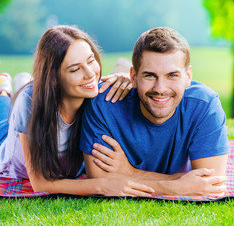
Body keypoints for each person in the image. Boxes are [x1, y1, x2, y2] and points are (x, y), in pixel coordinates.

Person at [0, 25, 155, 197]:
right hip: (12, 158)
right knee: (3, 124)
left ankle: (19, 83)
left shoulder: (92, 94)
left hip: (66, 166)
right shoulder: (30, 102)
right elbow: (40, 183)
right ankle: (4, 90)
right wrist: (102, 186)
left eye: (90, 60)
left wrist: (126, 79)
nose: (90, 74)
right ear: (53, 79)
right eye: (75, 69)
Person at [80, 27, 229, 196]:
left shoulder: (205, 104)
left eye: (172, 75)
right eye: (150, 75)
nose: (160, 89)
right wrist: (178, 186)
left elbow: (211, 184)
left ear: (188, 76)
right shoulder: (103, 102)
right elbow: (100, 181)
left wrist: (130, 173)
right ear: (133, 77)